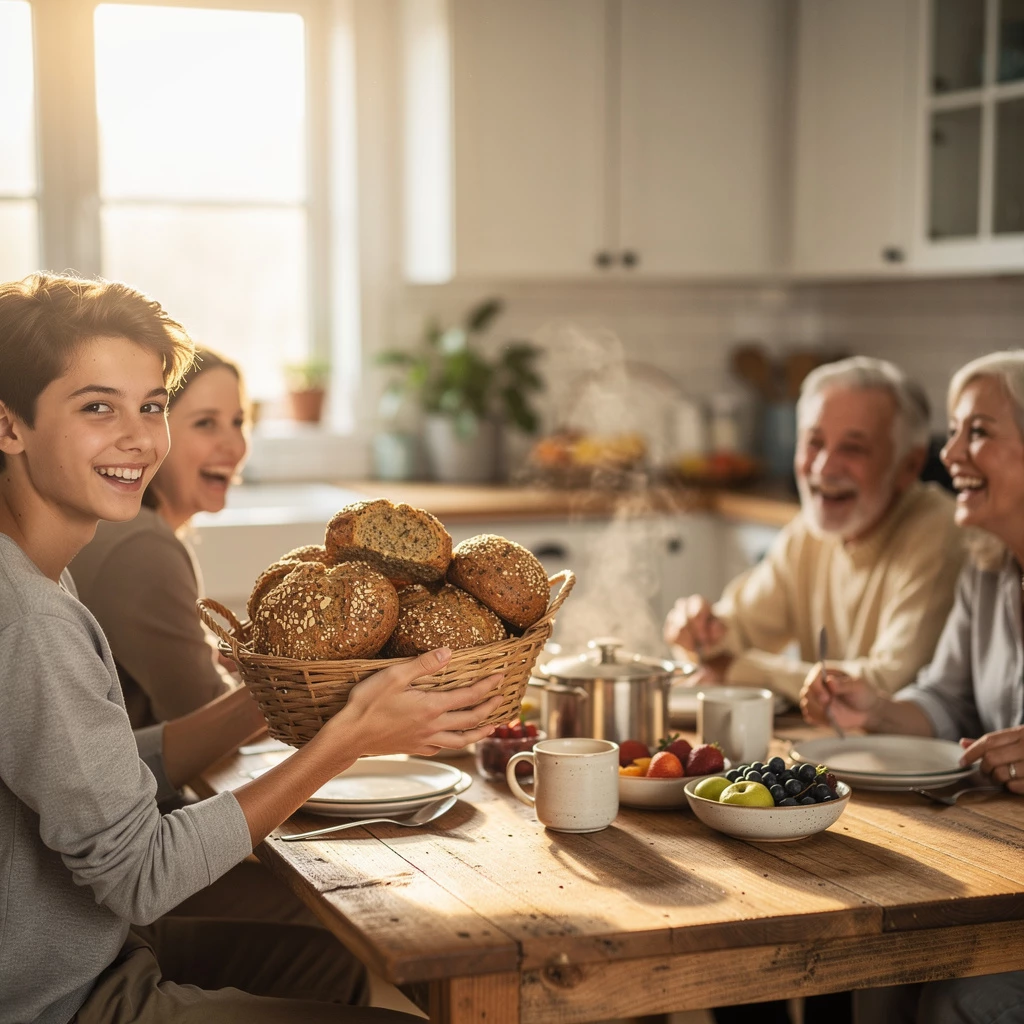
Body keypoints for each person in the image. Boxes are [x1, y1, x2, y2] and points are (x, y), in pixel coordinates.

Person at [0, 272, 502, 1024]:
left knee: (324, 962)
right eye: (97, 407)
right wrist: (347, 739)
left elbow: (92, 771)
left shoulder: (33, 572)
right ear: (9, 426)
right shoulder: (31, 619)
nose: (138, 438)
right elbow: (142, 874)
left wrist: (264, 700)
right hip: (61, 999)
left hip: (95, 950)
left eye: (152, 406)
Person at [802, 351, 1024, 1024]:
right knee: (878, 973)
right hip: (999, 866)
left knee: (963, 999)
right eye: (953, 430)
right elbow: (948, 702)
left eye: (977, 431)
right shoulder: (987, 571)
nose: (949, 451)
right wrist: (881, 709)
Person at [663, 356, 965, 707]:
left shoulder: (942, 534)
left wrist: (736, 667)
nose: (823, 467)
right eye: (814, 442)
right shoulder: (809, 532)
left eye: (853, 448)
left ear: (909, 465)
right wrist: (701, 630)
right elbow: (738, 630)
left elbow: (888, 685)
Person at [70, 347, 247, 728]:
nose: (234, 447)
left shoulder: (133, 533)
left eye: (238, 422)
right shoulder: (142, 547)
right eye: (205, 424)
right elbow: (206, 714)